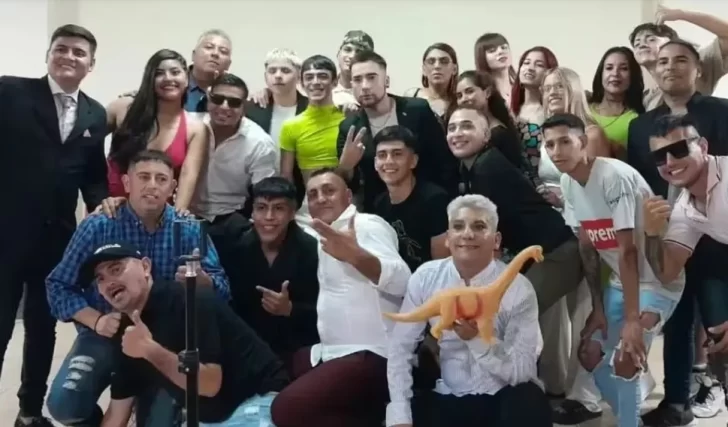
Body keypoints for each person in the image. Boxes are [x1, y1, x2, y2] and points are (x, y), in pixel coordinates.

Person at [45, 150, 228, 426]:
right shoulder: (99, 225)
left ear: (172, 187)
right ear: (127, 182)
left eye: (161, 179)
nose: (152, 185)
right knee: (64, 404)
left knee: (157, 422)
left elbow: (223, 289)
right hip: (107, 333)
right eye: (144, 177)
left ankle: (141, 403)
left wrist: (204, 283)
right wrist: (97, 321)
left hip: (167, 340)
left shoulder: (190, 229)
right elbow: (58, 285)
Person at [542, 113, 684, 427]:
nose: (556, 151)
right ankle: (629, 416)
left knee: (626, 356)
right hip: (622, 282)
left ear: (582, 142)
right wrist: (597, 307)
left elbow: (627, 251)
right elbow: (587, 246)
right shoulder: (568, 182)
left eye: (565, 141)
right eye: (549, 144)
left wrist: (632, 321)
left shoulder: (613, 176)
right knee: (590, 353)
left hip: (659, 282)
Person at [0, 24, 108, 427]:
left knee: (43, 329)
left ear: (91, 65)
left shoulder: (95, 113)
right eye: (61, 48)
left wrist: (101, 208)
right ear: (48, 54)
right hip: (6, 234)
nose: (69, 57)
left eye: (79, 52)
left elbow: (93, 176)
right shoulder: (10, 92)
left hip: (57, 240)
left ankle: (29, 412)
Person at [627, 39, 728, 426]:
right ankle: (676, 401)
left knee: (718, 321)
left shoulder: (720, 112)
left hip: (718, 240)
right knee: (678, 318)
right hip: (677, 227)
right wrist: (653, 232)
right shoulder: (641, 125)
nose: (670, 67)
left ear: (698, 69)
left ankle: (711, 386)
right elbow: (642, 183)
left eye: (681, 59)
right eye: (663, 61)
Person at [78, 242, 287, 426]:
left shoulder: (189, 301)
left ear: (145, 267)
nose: (109, 282)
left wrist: (150, 350)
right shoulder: (126, 332)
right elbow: (117, 413)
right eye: (100, 279)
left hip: (259, 400)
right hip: (208, 418)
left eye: (116, 269)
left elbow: (209, 385)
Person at [386, 194, 551, 427]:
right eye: (458, 226)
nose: (467, 234)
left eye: (479, 226)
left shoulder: (519, 288)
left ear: (496, 240)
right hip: (449, 397)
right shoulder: (425, 278)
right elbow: (400, 348)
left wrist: (478, 342)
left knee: (529, 400)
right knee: (405, 409)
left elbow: (523, 372)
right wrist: (400, 415)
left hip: (503, 397)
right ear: (447, 238)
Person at [270, 168, 411, 427]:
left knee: (284, 410)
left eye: (329, 191)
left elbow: (402, 281)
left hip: (373, 354)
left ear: (348, 197)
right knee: (276, 369)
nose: (321, 198)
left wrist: (356, 256)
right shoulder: (324, 235)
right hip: (332, 351)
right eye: (313, 194)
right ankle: (369, 409)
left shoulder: (366, 224)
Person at [448, 106, 582, 312]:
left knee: (512, 315)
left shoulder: (487, 167)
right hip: (539, 254)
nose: (457, 133)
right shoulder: (470, 168)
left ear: (486, 135)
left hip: (556, 254)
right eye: (452, 128)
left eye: (467, 126)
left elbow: (488, 237)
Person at [642, 114, 728, 399]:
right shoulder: (684, 208)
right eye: (659, 156)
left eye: (678, 150)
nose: (669, 162)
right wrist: (651, 234)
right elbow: (667, 272)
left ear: (702, 146)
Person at [337, 50, 458, 212]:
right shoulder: (349, 128)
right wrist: (346, 167)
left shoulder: (417, 110)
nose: (364, 86)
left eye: (371, 77)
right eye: (358, 80)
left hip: (429, 205)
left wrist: (448, 205)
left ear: (386, 81)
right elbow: (349, 185)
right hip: (379, 211)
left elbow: (444, 162)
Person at [219, 177, 320, 368]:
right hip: (247, 350)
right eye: (261, 208)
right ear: (252, 212)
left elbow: (326, 313)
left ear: (292, 213)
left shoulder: (311, 250)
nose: (269, 217)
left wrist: (290, 309)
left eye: (279, 208)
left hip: (299, 348)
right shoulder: (236, 248)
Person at [106, 49, 209, 212]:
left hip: (156, 217)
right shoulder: (122, 108)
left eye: (175, 72)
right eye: (159, 73)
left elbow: (188, 178)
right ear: (150, 79)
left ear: (187, 79)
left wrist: (176, 220)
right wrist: (98, 197)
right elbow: (86, 146)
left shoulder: (195, 128)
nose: (168, 78)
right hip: (111, 211)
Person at [192, 73, 278, 250]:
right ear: (208, 99)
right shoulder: (191, 125)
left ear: (244, 107)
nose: (224, 107)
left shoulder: (259, 142)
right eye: (218, 99)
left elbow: (264, 193)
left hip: (231, 219)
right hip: (187, 215)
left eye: (234, 102)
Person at [372, 125, 450, 272]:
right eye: (382, 155)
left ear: (413, 160)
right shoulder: (380, 204)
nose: (389, 161)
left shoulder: (435, 200)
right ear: (375, 163)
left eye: (397, 154)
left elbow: (442, 266)